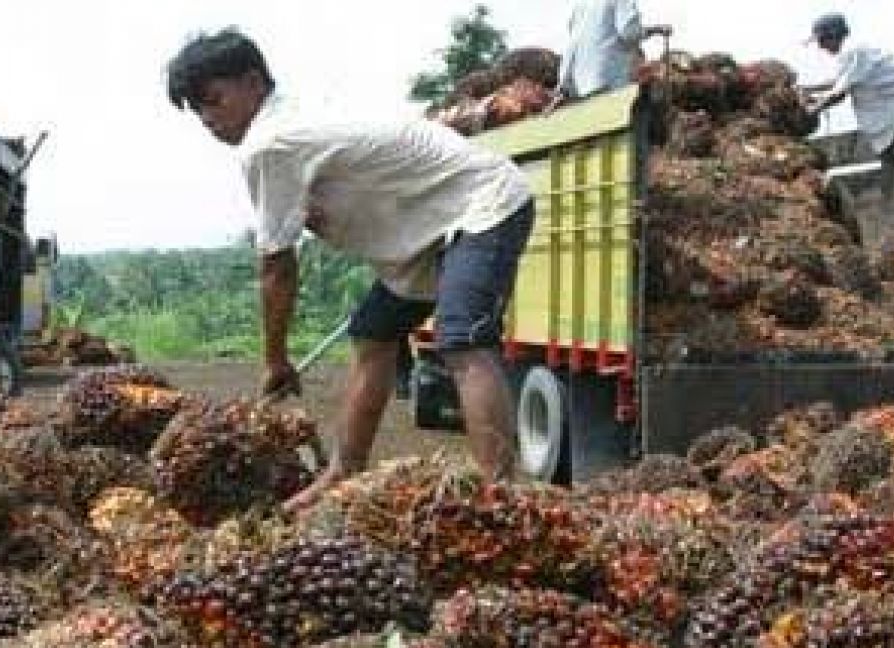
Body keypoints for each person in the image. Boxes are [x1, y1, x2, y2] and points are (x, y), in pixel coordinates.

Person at [166, 29, 534, 509]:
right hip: (428, 226)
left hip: (480, 204)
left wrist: (275, 359)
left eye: (214, 100)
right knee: (373, 333)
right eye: (199, 111)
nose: (210, 120)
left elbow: (277, 266)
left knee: (461, 339)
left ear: (253, 81)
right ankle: (343, 471)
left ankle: (499, 499)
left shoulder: (271, 142)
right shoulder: (293, 119)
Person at [801, 13, 894, 166]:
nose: (820, 46)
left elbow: (839, 93)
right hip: (893, 114)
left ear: (833, 36)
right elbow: (836, 82)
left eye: (821, 40)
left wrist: (811, 110)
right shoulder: (849, 52)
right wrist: (806, 89)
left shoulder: (853, 51)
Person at [554, 0, 672, 102]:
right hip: (609, 80)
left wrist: (563, 83)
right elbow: (630, 33)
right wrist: (655, 30)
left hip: (581, 85)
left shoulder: (581, 5)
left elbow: (573, 44)